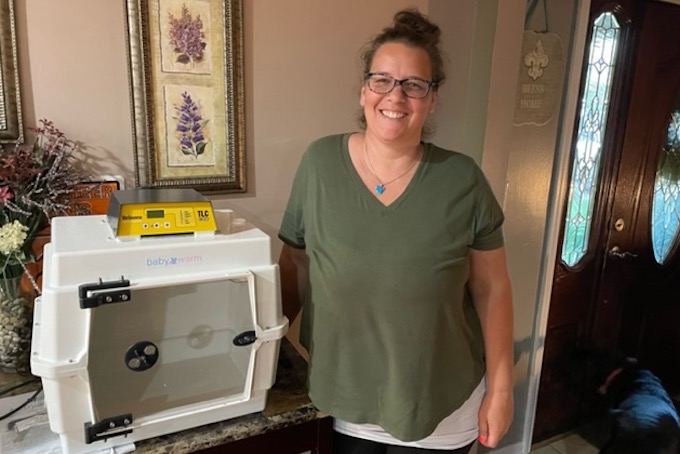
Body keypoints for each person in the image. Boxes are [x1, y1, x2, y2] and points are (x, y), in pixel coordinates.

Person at [278, 9, 513, 454]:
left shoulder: (462, 179)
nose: (396, 95)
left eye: (414, 84)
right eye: (382, 79)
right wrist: (263, 351)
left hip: (441, 406)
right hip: (345, 398)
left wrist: (502, 390)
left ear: (432, 98)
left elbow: (492, 289)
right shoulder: (319, 164)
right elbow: (296, 263)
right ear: (365, 89)